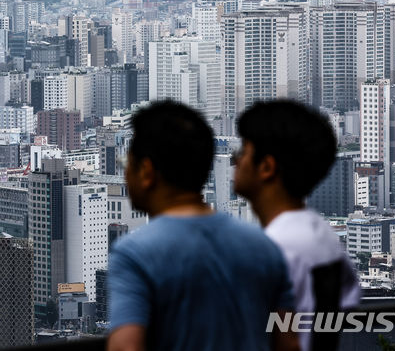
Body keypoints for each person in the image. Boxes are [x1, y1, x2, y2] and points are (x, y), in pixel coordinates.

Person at [107, 100, 299, 351]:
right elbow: (290, 343)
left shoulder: (134, 254)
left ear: (146, 171)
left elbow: (126, 347)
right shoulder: (265, 247)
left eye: (127, 164)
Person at [234, 100, 360, 351]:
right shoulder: (322, 236)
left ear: (267, 167)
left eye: (244, 150)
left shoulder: (273, 249)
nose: (236, 160)